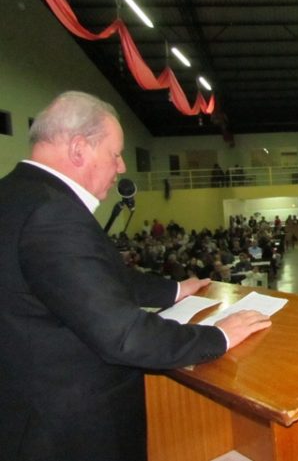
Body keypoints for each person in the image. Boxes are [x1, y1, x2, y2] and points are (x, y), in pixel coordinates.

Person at [0, 92, 272, 461]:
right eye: (115, 154)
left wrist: (175, 289)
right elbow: (124, 336)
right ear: (79, 149)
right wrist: (220, 335)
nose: (122, 167)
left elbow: (88, 281)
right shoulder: (54, 214)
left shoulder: (14, 196)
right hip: (72, 431)